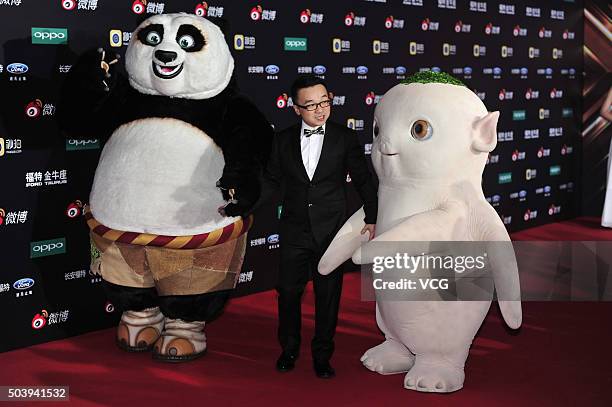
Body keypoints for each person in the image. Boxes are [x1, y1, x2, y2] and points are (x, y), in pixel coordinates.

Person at [223, 75, 378, 378]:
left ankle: (322, 355)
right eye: (311, 105)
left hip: (331, 231)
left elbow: (363, 179)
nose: (320, 110)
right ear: (295, 109)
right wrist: (242, 205)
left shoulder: (344, 138)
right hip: (294, 230)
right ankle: (289, 349)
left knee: (328, 296)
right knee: (290, 293)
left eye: (325, 102)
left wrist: (373, 217)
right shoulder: (281, 141)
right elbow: (270, 183)